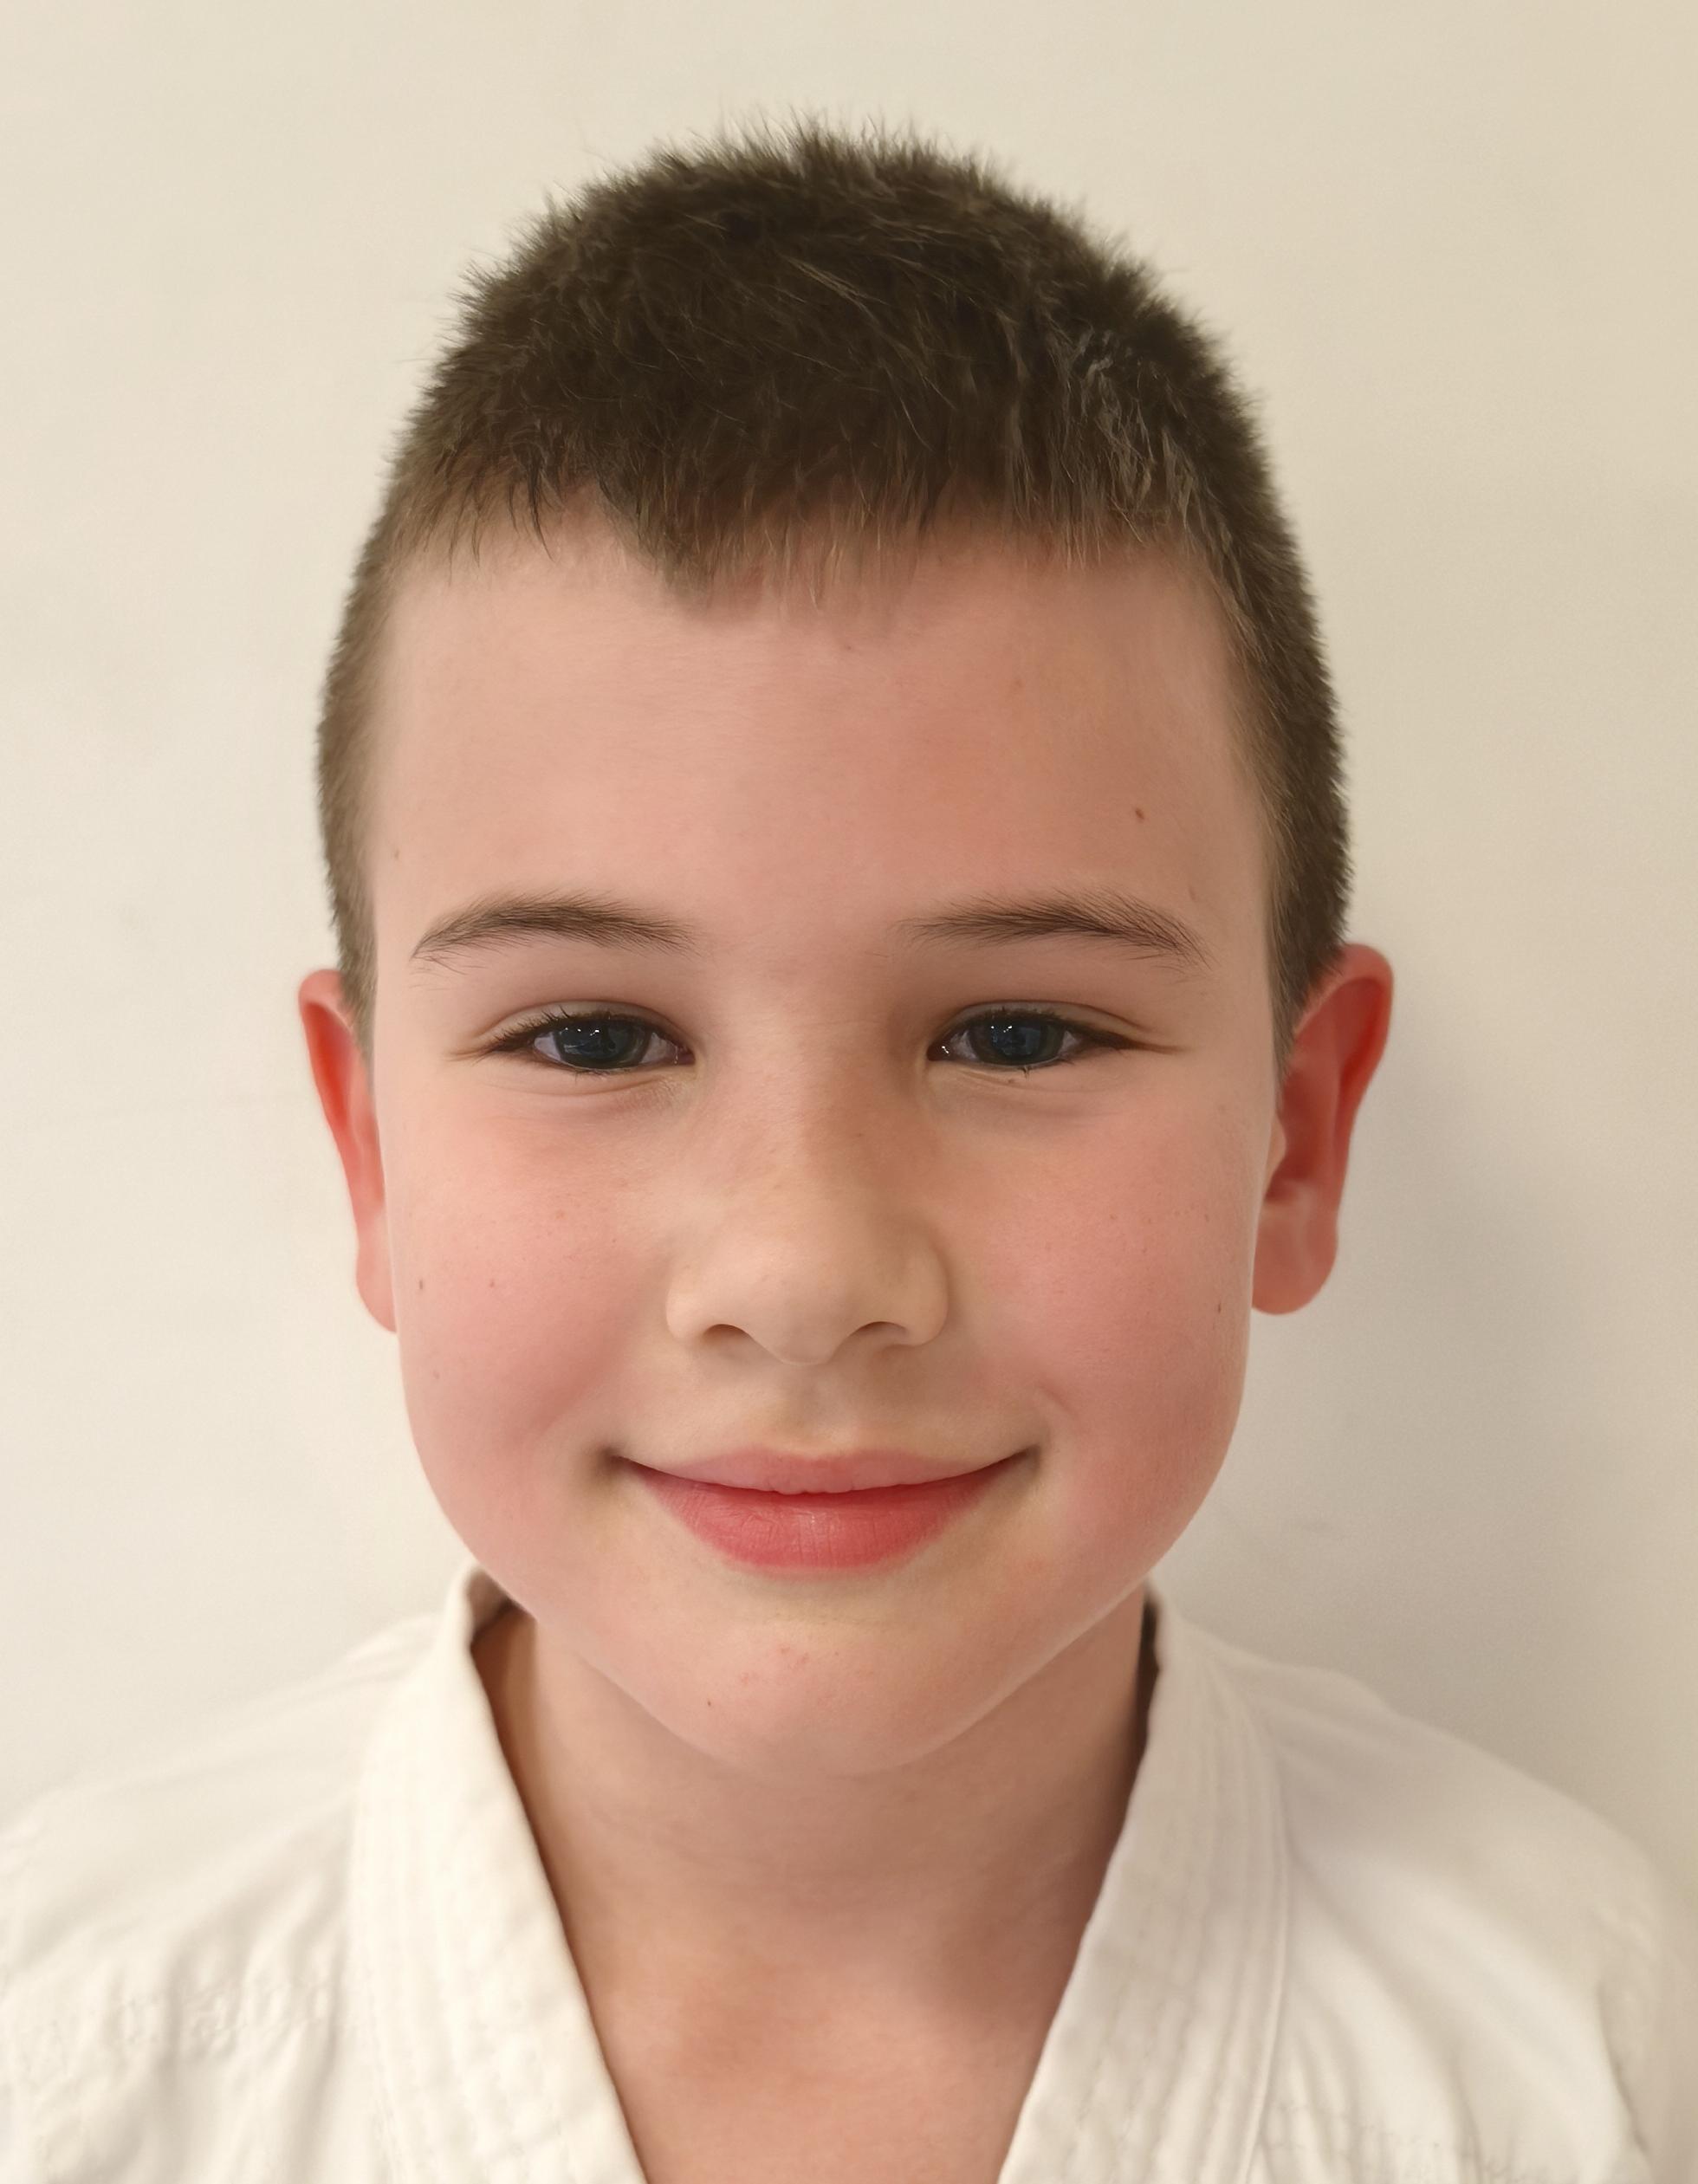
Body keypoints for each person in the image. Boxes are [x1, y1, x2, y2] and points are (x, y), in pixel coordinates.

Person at [2, 113, 1693, 2183]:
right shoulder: (65, 2059)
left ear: (1292, 1138)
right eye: (594, 1036)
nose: (802, 1272)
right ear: (370, 1154)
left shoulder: (1572, 2061)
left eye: (1015, 1032)